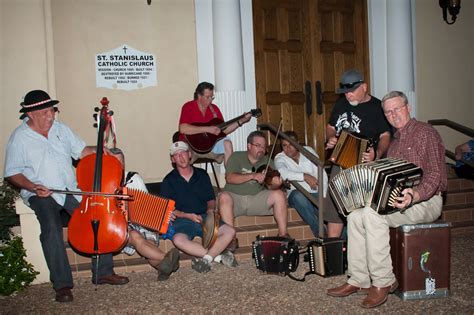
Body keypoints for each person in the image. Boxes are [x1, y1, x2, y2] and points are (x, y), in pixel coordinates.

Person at [3, 90, 129, 303]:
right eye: (44, 112)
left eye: (52, 110)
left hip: (68, 188)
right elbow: (12, 172)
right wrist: (33, 187)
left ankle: (103, 271)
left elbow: (81, 151)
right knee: (51, 228)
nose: (50, 116)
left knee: (97, 214)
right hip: (41, 194)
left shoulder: (61, 130)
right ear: (30, 114)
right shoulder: (19, 138)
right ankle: (62, 285)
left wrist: (100, 150)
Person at [327, 91, 447, 308]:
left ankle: (384, 281)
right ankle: (359, 279)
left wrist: (415, 194)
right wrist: (374, 159)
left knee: (373, 216)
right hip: (398, 200)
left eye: (397, 109)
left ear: (408, 108)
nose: (393, 115)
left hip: (426, 201)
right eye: (388, 112)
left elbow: (435, 175)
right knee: (355, 215)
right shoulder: (393, 142)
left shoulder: (426, 132)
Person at [160, 141, 237, 273]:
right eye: (176, 155)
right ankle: (217, 257)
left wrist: (210, 210)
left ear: (189, 154)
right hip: (183, 220)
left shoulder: (202, 175)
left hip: (204, 216)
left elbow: (211, 200)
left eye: (183, 153)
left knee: (230, 231)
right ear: (173, 159)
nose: (181, 157)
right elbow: (169, 209)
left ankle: (206, 259)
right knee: (178, 240)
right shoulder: (168, 181)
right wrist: (186, 215)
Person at [110, 149, 180, 281]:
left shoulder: (132, 178)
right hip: (118, 227)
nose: (118, 165)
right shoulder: (103, 183)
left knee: (149, 243)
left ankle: (163, 267)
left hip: (141, 222)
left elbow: (148, 204)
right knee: (136, 236)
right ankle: (167, 259)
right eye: (114, 161)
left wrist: (164, 214)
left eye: (121, 162)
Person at [218, 131, 289, 239]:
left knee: (279, 194)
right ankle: (230, 238)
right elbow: (230, 178)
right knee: (223, 196)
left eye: (264, 147)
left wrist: (276, 184)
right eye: (258, 146)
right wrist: (253, 176)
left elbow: (270, 187)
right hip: (235, 198)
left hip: (257, 199)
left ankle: (283, 235)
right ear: (249, 146)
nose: (261, 149)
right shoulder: (236, 156)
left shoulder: (268, 161)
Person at [274, 131, 343, 238]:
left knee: (332, 214)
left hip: (316, 193)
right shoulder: (280, 158)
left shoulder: (308, 151)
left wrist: (324, 195)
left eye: (291, 144)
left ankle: (341, 239)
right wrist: (305, 176)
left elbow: (321, 173)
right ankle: (319, 231)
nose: (288, 148)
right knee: (298, 196)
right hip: (297, 196)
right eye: (284, 145)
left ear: (297, 143)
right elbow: (283, 173)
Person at [325, 69, 391, 163]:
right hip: (339, 159)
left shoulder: (378, 107)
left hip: (365, 163)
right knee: (335, 178)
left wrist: (377, 154)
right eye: (346, 92)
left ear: (364, 87)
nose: (348, 96)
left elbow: (385, 135)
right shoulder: (341, 104)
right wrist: (331, 137)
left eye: (352, 91)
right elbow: (330, 127)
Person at [178, 82, 251, 165]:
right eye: (207, 97)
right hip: (191, 147)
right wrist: (208, 129)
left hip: (210, 147)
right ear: (199, 96)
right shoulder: (188, 107)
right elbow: (183, 129)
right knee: (182, 151)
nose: (210, 100)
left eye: (211, 97)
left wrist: (241, 121)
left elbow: (224, 131)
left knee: (227, 143)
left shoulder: (214, 109)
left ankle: (231, 174)